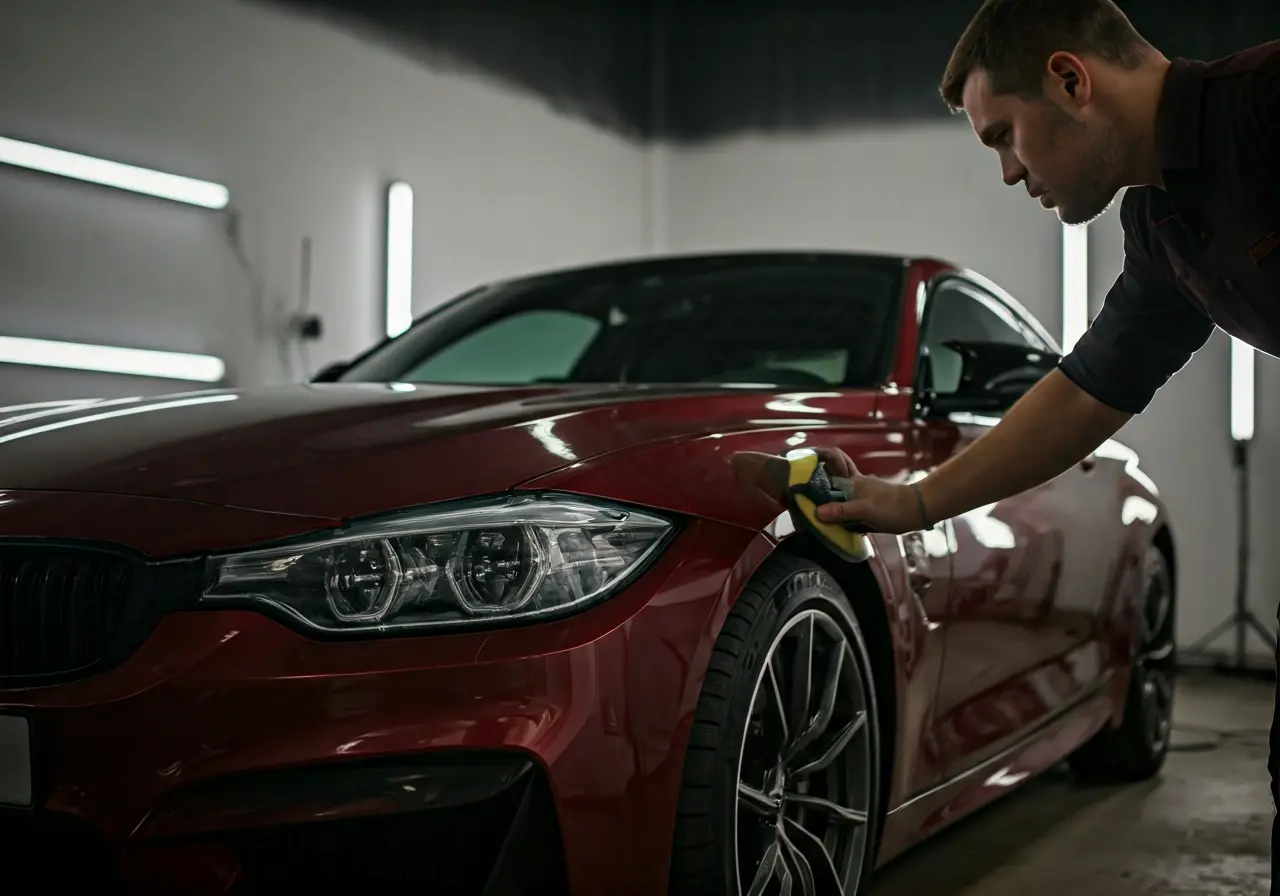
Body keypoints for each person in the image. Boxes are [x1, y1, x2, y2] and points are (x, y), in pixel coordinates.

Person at [777, 0, 1280, 884]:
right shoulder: (1160, 230)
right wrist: (915, 502)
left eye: (1003, 135)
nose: (1010, 172)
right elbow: (1087, 392)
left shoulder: (1267, 105)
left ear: (1071, 80)